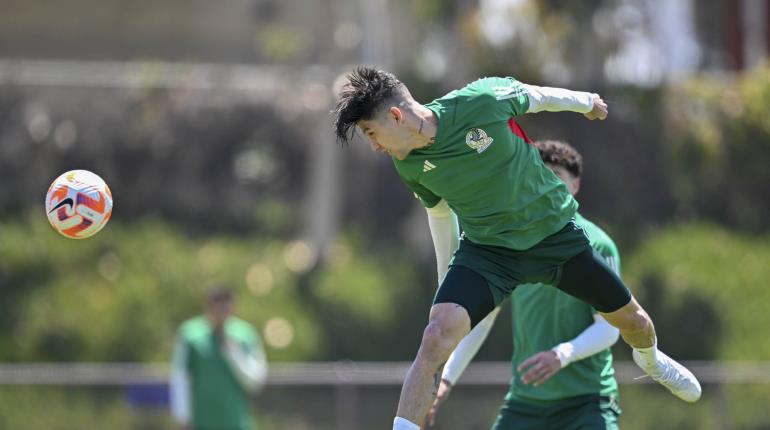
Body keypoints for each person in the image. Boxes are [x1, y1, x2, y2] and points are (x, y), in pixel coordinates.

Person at [331, 67, 701, 430]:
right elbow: (440, 216)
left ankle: (651, 360)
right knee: (435, 335)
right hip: (489, 251)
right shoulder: (409, 165)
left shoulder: (480, 101)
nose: (375, 146)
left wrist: (586, 102)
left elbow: (536, 96)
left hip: (555, 236)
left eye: (371, 133)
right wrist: (447, 287)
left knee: (634, 322)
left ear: (396, 116)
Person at [427, 140, 623, 430]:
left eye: (556, 176)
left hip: (587, 402)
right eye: (538, 175)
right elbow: (481, 319)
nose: (545, 184)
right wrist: (447, 378)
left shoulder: (597, 244)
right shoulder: (511, 242)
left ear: (576, 185)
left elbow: (611, 327)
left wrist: (562, 355)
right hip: (525, 404)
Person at [170, 286, 268, 430]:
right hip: (202, 421)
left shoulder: (245, 334)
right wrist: (182, 417)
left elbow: (255, 381)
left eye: (226, 304)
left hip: (236, 422)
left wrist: (232, 353)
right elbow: (180, 378)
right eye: (217, 304)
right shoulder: (190, 334)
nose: (222, 310)